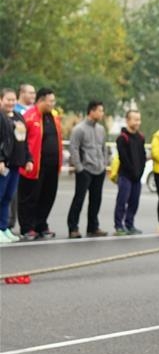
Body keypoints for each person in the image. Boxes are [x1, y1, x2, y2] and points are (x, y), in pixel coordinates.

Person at [17, 88, 62, 241]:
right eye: (51, 101)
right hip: (33, 165)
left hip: (52, 166)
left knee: (48, 196)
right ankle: (27, 227)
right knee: (30, 197)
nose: (53, 104)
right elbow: (21, 140)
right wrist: (25, 160)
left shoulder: (54, 117)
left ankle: (41, 225)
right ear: (41, 100)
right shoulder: (28, 117)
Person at [66, 100, 109, 238]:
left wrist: (104, 164)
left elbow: (104, 148)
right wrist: (79, 168)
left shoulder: (101, 129)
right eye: (100, 110)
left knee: (96, 200)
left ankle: (93, 227)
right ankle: (73, 228)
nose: (102, 113)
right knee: (79, 199)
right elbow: (73, 148)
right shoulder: (79, 129)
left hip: (99, 169)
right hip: (85, 170)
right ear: (91, 111)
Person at [0, 88, 33, 243]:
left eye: (13, 100)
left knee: (8, 197)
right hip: (4, 164)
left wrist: (28, 159)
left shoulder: (19, 117)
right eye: (8, 99)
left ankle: (4, 228)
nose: (11, 103)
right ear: (1, 100)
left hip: (15, 164)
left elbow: (24, 141)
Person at [113, 110, 146, 235]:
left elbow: (143, 156)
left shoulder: (140, 137)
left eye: (139, 119)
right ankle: (118, 225)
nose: (138, 122)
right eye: (135, 119)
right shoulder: (122, 138)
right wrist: (132, 171)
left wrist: (140, 171)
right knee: (122, 200)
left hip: (137, 177)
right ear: (127, 120)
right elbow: (123, 158)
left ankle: (130, 224)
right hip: (125, 176)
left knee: (134, 201)